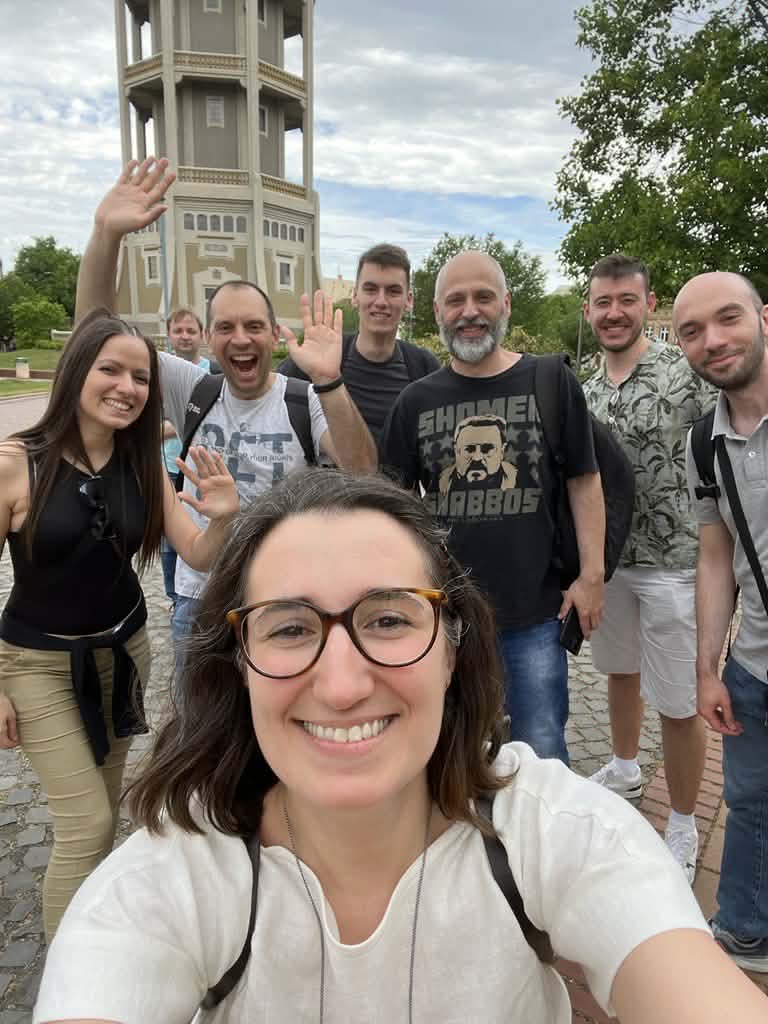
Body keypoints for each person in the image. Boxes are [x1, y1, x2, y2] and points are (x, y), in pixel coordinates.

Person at [33, 468, 768, 1024]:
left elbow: (682, 976)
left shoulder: (551, 831)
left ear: (453, 649)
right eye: (290, 628)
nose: (345, 683)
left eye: (388, 619)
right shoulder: (166, 884)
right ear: (237, 664)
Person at [0, 308, 239, 942]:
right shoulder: (15, 463)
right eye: (110, 369)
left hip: (125, 650)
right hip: (36, 664)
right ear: (78, 372)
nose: (127, 387)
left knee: (106, 809)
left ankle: (99, 939)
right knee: (87, 823)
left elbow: (200, 554)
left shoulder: (140, 466)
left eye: (140, 376)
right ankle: (72, 987)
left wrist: (222, 517)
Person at [75, 158, 377, 649]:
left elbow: (363, 472)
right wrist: (106, 237)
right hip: (203, 597)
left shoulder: (305, 399)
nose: (241, 339)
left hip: (288, 596)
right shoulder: (190, 387)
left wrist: (330, 379)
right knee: (199, 726)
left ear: (274, 335)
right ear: (209, 339)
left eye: (254, 326)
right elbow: (96, 335)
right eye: (226, 327)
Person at [380, 250, 605, 763]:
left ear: (505, 303)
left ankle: (542, 844)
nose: (470, 310)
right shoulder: (414, 402)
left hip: (535, 613)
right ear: (436, 312)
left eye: (483, 296)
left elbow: (585, 481)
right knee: (447, 747)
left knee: (542, 748)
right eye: (455, 300)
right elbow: (391, 506)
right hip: (445, 617)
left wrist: (592, 576)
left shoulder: (551, 381)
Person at [582, 254, 715, 883]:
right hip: (608, 565)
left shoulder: (686, 376)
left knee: (680, 701)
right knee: (619, 671)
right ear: (589, 309)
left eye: (626, 301)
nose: (614, 313)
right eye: (603, 302)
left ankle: (684, 823)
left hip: (676, 563)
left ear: (648, 303)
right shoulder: (580, 387)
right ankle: (626, 766)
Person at [676, 271, 768, 969]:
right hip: (756, 668)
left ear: (763, 318)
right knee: (750, 804)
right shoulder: (703, 442)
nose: (713, 340)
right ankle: (742, 930)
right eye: (692, 331)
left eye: (727, 319)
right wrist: (708, 668)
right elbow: (715, 554)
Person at [278, 244, 441, 441]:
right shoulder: (314, 364)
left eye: (393, 291)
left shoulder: (424, 368)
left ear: (409, 300)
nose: (381, 301)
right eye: (371, 289)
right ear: (355, 296)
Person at [161, 308, 211, 609]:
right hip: (167, 469)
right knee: (168, 541)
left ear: (201, 336)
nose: (184, 336)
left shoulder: (210, 374)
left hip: (196, 470)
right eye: (178, 331)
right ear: (169, 334)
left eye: (190, 331)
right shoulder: (160, 374)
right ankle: (175, 597)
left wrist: (169, 426)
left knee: (196, 530)